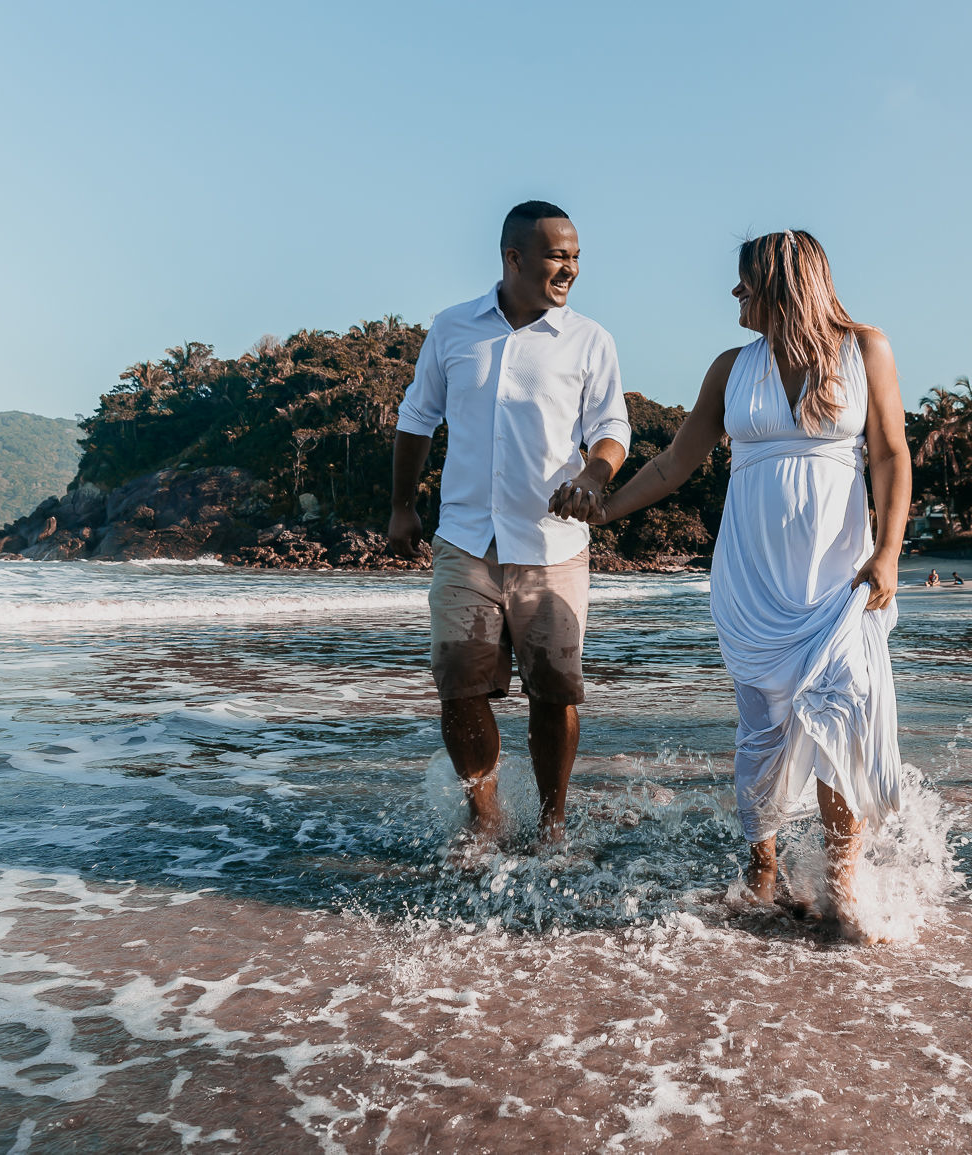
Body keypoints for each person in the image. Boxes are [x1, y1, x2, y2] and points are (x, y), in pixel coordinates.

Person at [575, 229, 910, 940]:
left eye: (745, 280)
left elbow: (889, 454)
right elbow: (673, 464)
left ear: (783, 285)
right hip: (752, 581)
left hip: (837, 577)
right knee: (764, 726)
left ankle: (844, 883)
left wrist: (888, 550)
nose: (734, 292)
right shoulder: (731, 368)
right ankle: (762, 863)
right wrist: (606, 509)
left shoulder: (866, 349)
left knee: (840, 713)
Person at [390, 200, 630, 848]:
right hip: (465, 538)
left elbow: (612, 426)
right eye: (557, 256)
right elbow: (417, 417)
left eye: (575, 257)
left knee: (554, 693)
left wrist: (594, 476)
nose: (570, 269)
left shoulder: (590, 339)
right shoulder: (453, 328)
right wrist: (402, 505)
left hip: (553, 544)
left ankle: (552, 826)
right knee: (459, 684)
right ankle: (485, 819)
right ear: (514, 258)